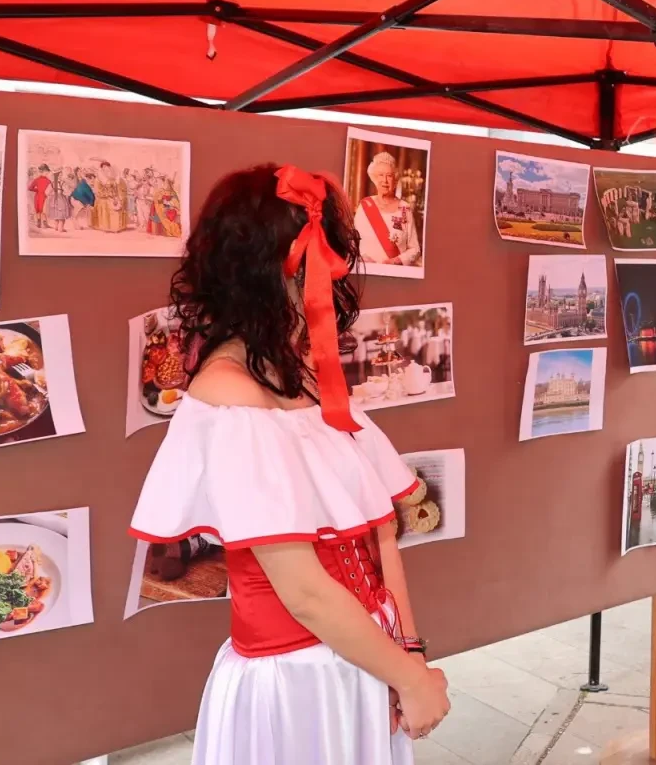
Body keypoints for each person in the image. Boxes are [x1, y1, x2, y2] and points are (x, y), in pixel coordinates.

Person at [128, 164, 449, 764]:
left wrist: (410, 654)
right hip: (299, 683)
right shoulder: (227, 396)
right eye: (320, 263)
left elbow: (382, 532)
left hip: (362, 660)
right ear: (271, 273)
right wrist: (407, 677)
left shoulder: (299, 376)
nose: (333, 279)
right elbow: (302, 591)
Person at [355, 152, 421, 269]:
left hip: (395, 274)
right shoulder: (365, 206)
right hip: (368, 272)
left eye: (389, 176)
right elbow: (353, 242)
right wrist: (361, 257)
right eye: (380, 175)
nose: (385, 180)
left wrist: (396, 261)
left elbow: (415, 249)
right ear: (374, 179)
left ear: (395, 180)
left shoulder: (404, 208)